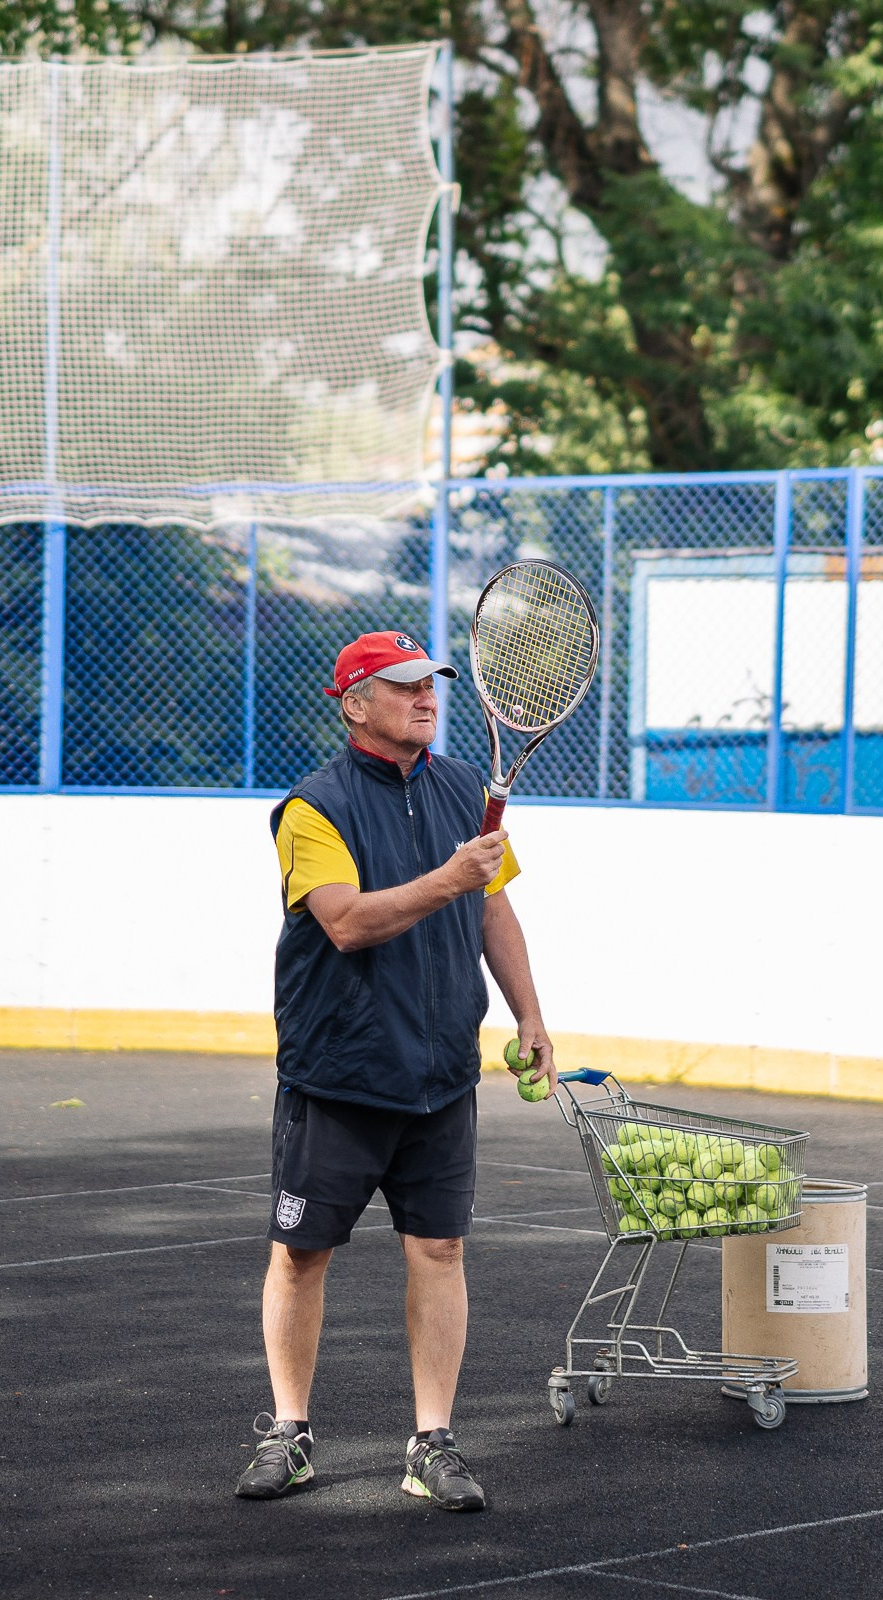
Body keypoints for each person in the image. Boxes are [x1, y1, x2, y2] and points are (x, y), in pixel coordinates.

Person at [234, 630, 554, 1512]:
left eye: (432, 683)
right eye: (405, 685)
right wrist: (451, 878)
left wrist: (529, 1014)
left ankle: (432, 1443)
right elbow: (345, 923)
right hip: (339, 1073)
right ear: (355, 704)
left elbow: (493, 907)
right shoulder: (312, 808)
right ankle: (290, 1432)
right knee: (301, 1254)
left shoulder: (464, 788)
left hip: (441, 1072)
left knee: (441, 1250)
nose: (427, 696)